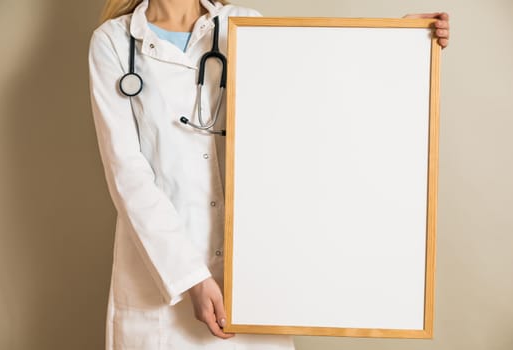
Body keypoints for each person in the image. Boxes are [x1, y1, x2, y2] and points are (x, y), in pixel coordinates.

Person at [88, 1, 450, 349]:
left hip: (254, 274)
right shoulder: (114, 41)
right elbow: (127, 172)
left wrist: (400, 41)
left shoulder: (245, 24)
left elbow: (318, 98)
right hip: (162, 279)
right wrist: (191, 279)